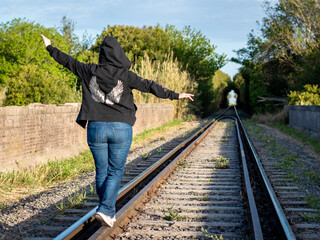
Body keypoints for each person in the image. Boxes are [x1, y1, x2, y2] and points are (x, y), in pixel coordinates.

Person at [41, 34, 194, 227]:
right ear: (119, 54)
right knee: (115, 171)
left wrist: (50, 47)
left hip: (95, 127)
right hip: (121, 127)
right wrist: (176, 95)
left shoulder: (88, 70)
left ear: (102, 55)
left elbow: (67, 61)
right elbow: (150, 86)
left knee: (102, 171)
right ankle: (106, 210)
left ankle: (106, 209)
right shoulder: (126, 75)